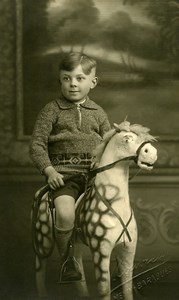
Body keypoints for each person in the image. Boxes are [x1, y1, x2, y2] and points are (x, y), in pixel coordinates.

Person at [29, 51, 111, 282]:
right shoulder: (51, 110)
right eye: (67, 78)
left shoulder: (98, 112)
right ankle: (67, 262)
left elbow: (109, 143)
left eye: (79, 78)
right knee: (65, 213)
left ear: (93, 82)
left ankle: (116, 259)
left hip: (96, 179)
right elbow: (36, 146)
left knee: (116, 208)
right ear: (60, 80)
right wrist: (50, 171)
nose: (72, 84)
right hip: (65, 178)